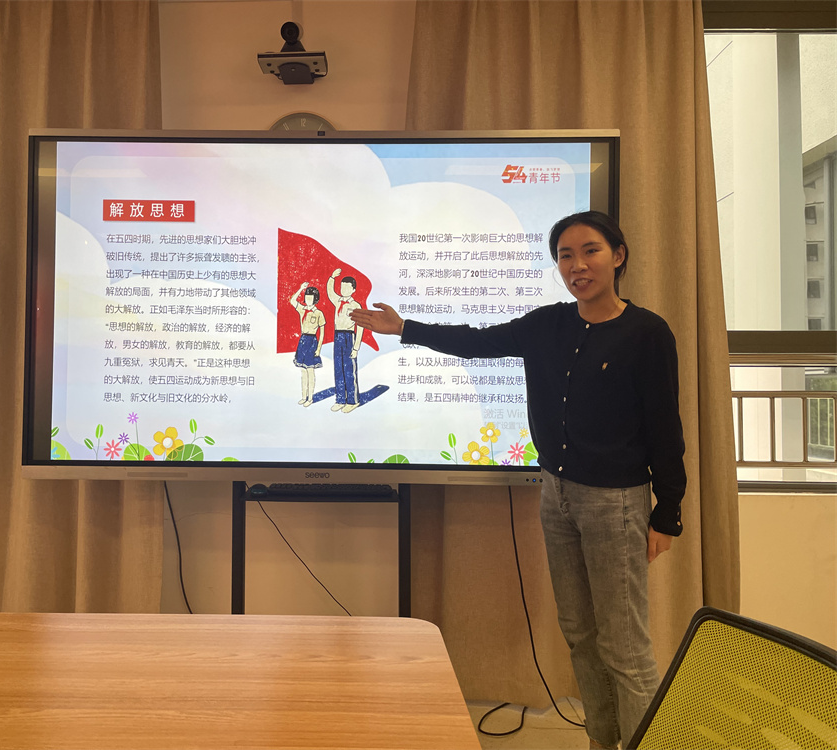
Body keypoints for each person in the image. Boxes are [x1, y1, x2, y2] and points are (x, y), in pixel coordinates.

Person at [349, 211, 685, 750]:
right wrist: (405, 328)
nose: (577, 265)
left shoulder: (646, 333)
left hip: (616, 504)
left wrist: (667, 511)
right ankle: (604, 741)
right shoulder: (547, 324)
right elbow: (476, 342)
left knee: (624, 647)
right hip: (556, 495)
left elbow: (665, 427)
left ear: (618, 256)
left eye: (590, 251)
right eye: (565, 256)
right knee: (580, 635)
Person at [326, 268, 364, 413]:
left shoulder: (356, 306)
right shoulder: (338, 301)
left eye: (347, 288)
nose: (344, 290)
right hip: (338, 336)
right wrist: (332, 278)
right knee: (338, 368)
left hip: (349, 336)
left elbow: (360, 327)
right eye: (342, 287)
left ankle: (353, 401)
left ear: (353, 290)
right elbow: (330, 292)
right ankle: (340, 399)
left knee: (349, 369)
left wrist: (356, 347)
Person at [289, 282, 325, 406]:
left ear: (315, 299)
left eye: (311, 298)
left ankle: (310, 398)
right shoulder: (302, 309)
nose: (308, 300)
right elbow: (292, 300)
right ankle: (304, 397)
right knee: (303, 371)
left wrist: (319, 348)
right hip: (303, 340)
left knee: (310, 370)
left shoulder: (319, 313)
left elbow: (322, 333)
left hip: (312, 341)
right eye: (307, 297)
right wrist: (301, 289)